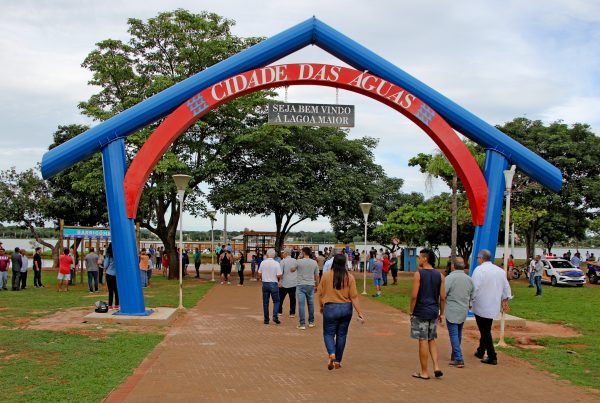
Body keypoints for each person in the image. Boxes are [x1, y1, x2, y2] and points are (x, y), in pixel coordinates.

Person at [318, 254, 364, 370]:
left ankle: (332, 353)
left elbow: (321, 293)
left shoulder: (326, 276)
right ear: (344, 263)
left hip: (330, 308)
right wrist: (359, 312)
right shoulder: (349, 277)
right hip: (346, 308)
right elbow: (354, 296)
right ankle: (338, 360)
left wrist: (321, 306)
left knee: (328, 333)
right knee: (342, 335)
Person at [471, 249, 512, 365]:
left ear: (481, 258)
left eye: (478, 258)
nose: (477, 260)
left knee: (484, 330)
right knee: (486, 328)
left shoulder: (479, 270)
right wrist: (505, 300)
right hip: (493, 305)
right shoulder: (499, 271)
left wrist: (470, 300)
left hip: (480, 304)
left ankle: (492, 355)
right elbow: (506, 287)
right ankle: (480, 350)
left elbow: (474, 288)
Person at [410, 249, 445, 380]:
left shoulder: (419, 274)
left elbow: (414, 296)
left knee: (423, 340)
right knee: (431, 339)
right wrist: (442, 313)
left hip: (421, 311)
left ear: (425, 259)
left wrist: (411, 311)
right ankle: (436, 366)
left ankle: (424, 372)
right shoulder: (440, 276)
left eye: (419, 257)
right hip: (433, 311)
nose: (418, 259)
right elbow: (442, 297)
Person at [444, 256, 474, 368]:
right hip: (463, 309)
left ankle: (459, 358)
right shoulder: (469, 279)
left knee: (453, 334)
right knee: (458, 333)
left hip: (452, 309)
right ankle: (454, 355)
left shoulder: (449, 279)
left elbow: (443, 293)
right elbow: (472, 295)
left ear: (453, 266)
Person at [296, 246, 319, 330]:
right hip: (310, 284)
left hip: (300, 284)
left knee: (301, 305)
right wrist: (317, 285)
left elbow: (292, 269)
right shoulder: (314, 262)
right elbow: (317, 275)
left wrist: (297, 259)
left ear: (303, 253)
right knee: (311, 304)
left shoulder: (298, 261)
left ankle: (302, 324)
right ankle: (311, 322)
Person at [258, 248, 282, 324]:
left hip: (265, 283)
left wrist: (262, 278)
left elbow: (259, 273)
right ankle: (275, 316)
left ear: (267, 255)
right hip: (273, 283)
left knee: (265, 302)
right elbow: (279, 274)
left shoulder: (263, 262)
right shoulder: (276, 263)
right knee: (276, 301)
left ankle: (266, 319)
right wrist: (278, 279)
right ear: (274, 255)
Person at [278, 248, 298, 317]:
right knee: (292, 298)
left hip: (284, 283)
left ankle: (279, 311)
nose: (282, 254)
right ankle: (292, 313)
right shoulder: (295, 261)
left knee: (280, 298)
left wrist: (279, 281)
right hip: (293, 283)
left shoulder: (282, 261)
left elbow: (280, 273)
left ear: (286, 253)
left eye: (283, 253)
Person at [104, 243, 119, 309]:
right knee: (116, 290)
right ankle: (117, 305)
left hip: (109, 274)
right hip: (117, 275)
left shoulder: (108, 255)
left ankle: (110, 305)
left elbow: (105, 265)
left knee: (110, 291)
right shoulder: (119, 254)